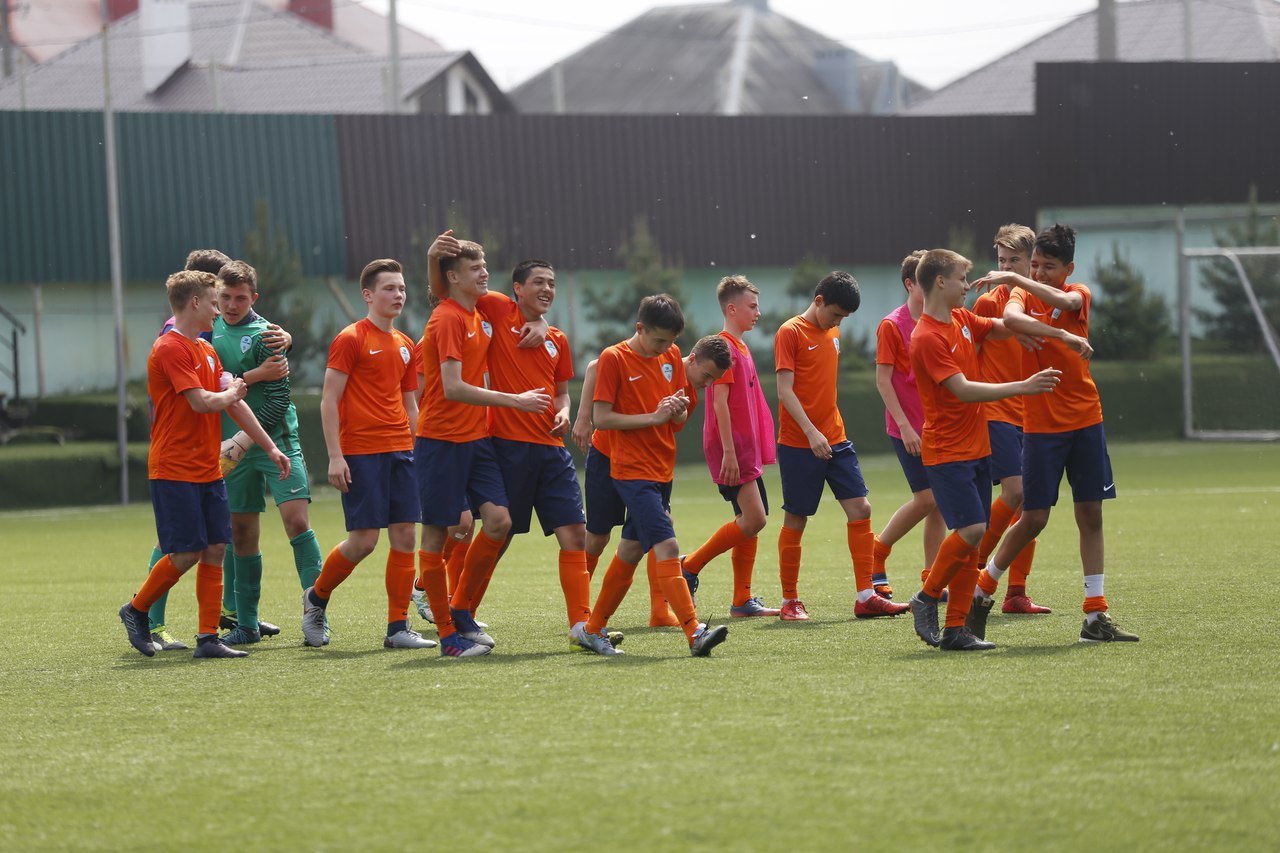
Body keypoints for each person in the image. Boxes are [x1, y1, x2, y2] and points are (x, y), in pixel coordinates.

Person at [970, 224, 1139, 643]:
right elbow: (1011, 318)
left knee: (1091, 514)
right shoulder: (1020, 295)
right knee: (1034, 518)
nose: (1038, 273)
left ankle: (1095, 615)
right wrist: (1057, 331)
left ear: (1069, 269)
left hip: (1086, 420)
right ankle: (982, 591)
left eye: (1048, 266)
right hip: (1042, 426)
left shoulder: (1079, 292)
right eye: (1035, 265)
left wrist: (1019, 284)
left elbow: (1065, 302)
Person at [118, 270, 290, 659]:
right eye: (214, 302)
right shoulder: (170, 348)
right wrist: (232, 391)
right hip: (174, 468)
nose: (218, 310)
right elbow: (201, 402)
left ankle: (208, 638)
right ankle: (136, 609)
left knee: (215, 549)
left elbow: (235, 404)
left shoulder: (206, 350)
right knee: (185, 554)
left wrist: (270, 448)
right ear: (195, 302)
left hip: (207, 467)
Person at [903, 250, 1061, 651]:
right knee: (972, 530)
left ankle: (956, 629)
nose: (967, 286)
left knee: (972, 544)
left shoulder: (960, 318)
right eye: (961, 278)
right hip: (947, 451)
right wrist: (1023, 386)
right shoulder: (926, 336)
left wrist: (1040, 326)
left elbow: (1000, 327)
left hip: (976, 446)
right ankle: (926, 596)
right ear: (940, 281)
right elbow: (962, 389)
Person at [412, 238, 550, 657]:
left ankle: (461, 610)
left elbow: (525, 309)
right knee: (436, 536)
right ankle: (448, 638)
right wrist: (515, 401)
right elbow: (452, 387)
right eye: (475, 268)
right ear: (454, 277)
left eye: (485, 265)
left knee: (499, 521)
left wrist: (541, 323)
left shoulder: (482, 310)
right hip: (441, 441)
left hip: (477, 440)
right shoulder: (447, 318)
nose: (485, 272)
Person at [582, 295, 730, 656]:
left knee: (632, 549)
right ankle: (694, 632)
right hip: (630, 469)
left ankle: (592, 629)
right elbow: (602, 418)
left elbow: (676, 419)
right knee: (667, 545)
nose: (665, 348)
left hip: (661, 468)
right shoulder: (615, 358)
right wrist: (653, 416)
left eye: (671, 341)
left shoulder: (671, 357)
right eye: (659, 340)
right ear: (640, 328)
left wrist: (675, 411)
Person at [300, 259, 435, 652]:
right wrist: (335, 456)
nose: (398, 295)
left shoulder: (405, 344)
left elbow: (410, 404)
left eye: (402, 288)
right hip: (360, 453)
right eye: (389, 288)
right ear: (368, 295)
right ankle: (316, 598)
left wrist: (422, 446)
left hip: (401, 452)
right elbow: (329, 400)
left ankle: (398, 628)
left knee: (406, 535)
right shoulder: (350, 338)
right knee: (363, 542)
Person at [774, 271, 909, 621]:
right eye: (835, 314)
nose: (838, 322)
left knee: (861, 508)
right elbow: (784, 391)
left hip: (835, 438)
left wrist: (824, 432)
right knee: (797, 517)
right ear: (819, 301)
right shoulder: (790, 332)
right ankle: (790, 601)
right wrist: (810, 433)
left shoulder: (833, 332)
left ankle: (866, 596)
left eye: (843, 318)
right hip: (799, 442)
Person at [211, 260, 323, 646]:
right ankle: (246, 624)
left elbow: (278, 400)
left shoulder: (268, 336)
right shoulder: (206, 330)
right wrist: (252, 377)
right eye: (225, 296)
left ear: (254, 298)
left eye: (240, 298)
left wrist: (246, 440)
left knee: (297, 522)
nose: (231, 305)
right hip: (230, 445)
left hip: (276, 441)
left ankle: (316, 613)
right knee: (240, 532)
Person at [677, 275, 780, 618]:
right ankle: (689, 565)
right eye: (752, 306)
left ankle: (742, 599)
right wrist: (731, 453)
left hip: (744, 447)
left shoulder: (742, 347)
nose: (758, 313)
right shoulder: (723, 348)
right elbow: (718, 403)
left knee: (749, 519)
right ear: (732, 309)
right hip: (732, 449)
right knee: (754, 519)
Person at [968, 224, 1050, 616]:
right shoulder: (987, 302)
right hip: (996, 411)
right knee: (1015, 493)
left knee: (1031, 506)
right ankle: (973, 565)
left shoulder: (1043, 301)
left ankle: (1016, 592)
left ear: (1031, 262)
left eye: (1014, 260)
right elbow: (967, 354)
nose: (1004, 268)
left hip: (1032, 413)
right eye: (1001, 260)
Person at [871, 251, 946, 602]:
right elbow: (883, 381)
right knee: (927, 498)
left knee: (940, 503)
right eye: (925, 280)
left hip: (938, 427)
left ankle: (933, 580)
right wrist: (904, 425)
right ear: (910, 284)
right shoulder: (892, 325)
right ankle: (877, 551)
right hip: (908, 429)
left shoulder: (939, 319)